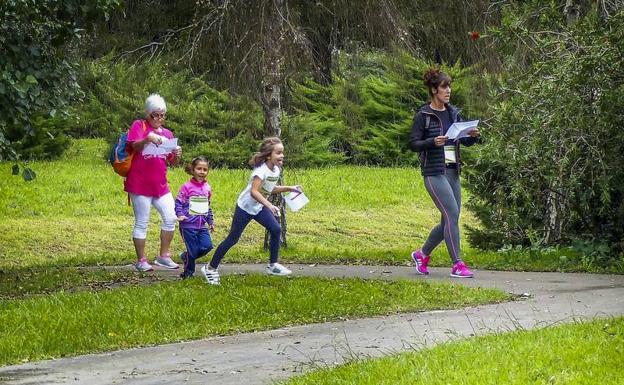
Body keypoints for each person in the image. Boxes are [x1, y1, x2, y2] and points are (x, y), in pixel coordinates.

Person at [408, 68, 480, 278]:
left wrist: (472, 136)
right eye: (444, 87)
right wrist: (432, 142)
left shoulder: (453, 113)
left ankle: (421, 254)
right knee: (451, 214)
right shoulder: (423, 115)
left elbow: (463, 140)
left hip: (452, 170)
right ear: (433, 90)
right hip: (433, 172)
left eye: (449, 86)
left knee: (450, 218)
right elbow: (413, 144)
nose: (448, 90)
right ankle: (457, 264)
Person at [201, 137, 301, 285]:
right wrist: (269, 205)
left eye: (282, 153)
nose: (282, 156)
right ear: (269, 155)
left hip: (258, 207)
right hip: (245, 207)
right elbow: (254, 192)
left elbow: (269, 189)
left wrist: (289, 188)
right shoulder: (261, 171)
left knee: (275, 229)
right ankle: (210, 268)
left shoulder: (276, 170)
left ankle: (272, 265)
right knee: (233, 239)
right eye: (279, 153)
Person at [125, 93, 182, 272]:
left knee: (171, 217)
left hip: (160, 185)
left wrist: (177, 156)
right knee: (142, 222)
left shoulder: (167, 134)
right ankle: (141, 260)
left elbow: (172, 161)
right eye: (155, 115)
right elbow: (133, 145)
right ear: (148, 114)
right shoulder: (139, 126)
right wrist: (147, 138)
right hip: (140, 183)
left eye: (162, 115)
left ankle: (163, 256)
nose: (159, 118)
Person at [175, 156, 215, 279]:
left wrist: (210, 221)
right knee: (193, 250)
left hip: (202, 225)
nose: (202, 172)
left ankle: (186, 256)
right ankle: (188, 273)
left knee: (207, 246)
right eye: (199, 169)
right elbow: (178, 202)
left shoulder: (207, 188)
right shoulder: (186, 187)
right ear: (192, 170)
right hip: (187, 225)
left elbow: (207, 206)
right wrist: (180, 215)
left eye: (205, 169)